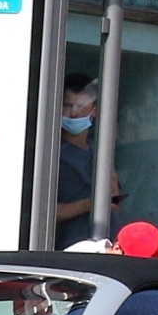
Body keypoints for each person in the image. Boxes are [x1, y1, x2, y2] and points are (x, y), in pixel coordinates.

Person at [54, 73, 120, 237]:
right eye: (68, 106)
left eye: (81, 106)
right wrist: (90, 204)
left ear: (94, 111)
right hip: (68, 247)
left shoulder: (99, 151)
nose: (74, 113)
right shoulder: (50, 153)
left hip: (105, 243)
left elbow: (114, 203)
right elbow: (43, 212)